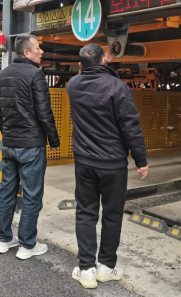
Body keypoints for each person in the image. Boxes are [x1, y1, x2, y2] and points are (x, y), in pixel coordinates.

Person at [67, 43, 149, 289]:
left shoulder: (73, 85)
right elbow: (130, 126)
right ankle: (106, 267)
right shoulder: (118, 87)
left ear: (80, 65)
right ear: (104, 61)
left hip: (84, 162)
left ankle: (86, 269)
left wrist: (103, 64)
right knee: (112, 215)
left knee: (86, 213)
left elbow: (91, 78)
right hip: (113, 164)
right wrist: (141, 160)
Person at [0, 34, 60, 259]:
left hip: (10, 144)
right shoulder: (35, 75)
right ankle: (27, 245)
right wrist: (53, 140)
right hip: (31, 145)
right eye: (38, 48)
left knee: (6, 191)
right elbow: (44, 112)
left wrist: (8, 134)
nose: (41, 51)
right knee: (31, 195)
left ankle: (2, 240)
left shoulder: (2, 75)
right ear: (26, 52)